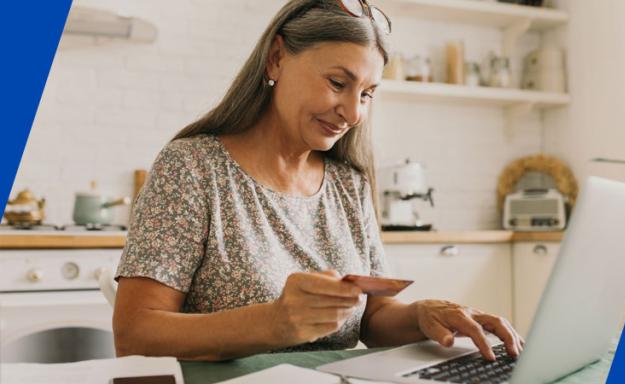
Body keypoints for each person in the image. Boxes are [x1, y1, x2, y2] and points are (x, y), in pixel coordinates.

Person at [112, 0, 524, 362]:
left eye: (367, 93)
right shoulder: (192, 168)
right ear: (276, 58)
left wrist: (422, 315)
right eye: (338, 83)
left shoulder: (349, 184)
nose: (354, 112)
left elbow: (374, 318)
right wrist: (272, 323)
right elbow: (135, 335)